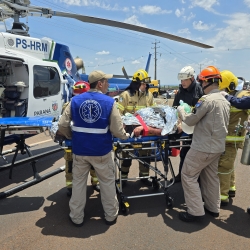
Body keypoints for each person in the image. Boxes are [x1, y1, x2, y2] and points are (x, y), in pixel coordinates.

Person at [58, 70, 130, 227]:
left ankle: (76, 217)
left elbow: (62, 125)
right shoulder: (109, 102)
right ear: (100, 83)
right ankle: (111, 216)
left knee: (78, 183)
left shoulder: (75, 101)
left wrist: (71, 136)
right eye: (106, 81)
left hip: (80, 151)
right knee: (107, 183)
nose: (108, 84)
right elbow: (117, 130)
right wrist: (126, 136)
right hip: (101, 151)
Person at [177, 65, 230, 222]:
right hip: (218, 148)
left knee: (188, 174)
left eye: (202, 82)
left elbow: (191, 119)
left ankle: (195, 211)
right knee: (210, 176)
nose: (200, 86)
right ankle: (213, 208)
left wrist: (181, 110)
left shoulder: (207, 100)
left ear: (207, 82)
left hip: (203, 147)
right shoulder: (224, 99)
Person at [61, 81, 101, 197]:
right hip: (76, 142)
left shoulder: (93, 105)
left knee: (92, 165)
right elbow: (64, 124)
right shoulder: (68, 106)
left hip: (89, 141)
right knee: (71, 165)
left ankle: (95, 182)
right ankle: (71, 186)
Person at [116, 69, 155, 185]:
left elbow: (154, 111)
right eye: (143, 83)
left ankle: (144, 177)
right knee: (126, 158)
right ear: (136, 83)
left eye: (146, 84)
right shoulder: (125, 95)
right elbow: (118, 113)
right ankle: (123, 178)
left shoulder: (149, 95)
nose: (145, 86)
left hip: (145, 131)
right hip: (129, 132)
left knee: (146, 156)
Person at [217, 71, 250, 206]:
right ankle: (231, 189)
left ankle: (221, 196)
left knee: (223, 167)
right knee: (229, 165)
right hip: (227, 140)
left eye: (223, 89)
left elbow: (243, 103)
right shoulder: (231, 95)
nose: (221, 91)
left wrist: (227, 97)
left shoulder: (242, 96)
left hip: (231, 140)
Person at [171, 66, 203, 183]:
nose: (182, 82)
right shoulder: (180, 92)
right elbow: (175, 109)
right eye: (181, 80)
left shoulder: (200, 90)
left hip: (198, 128)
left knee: (198, 156)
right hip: (185, 128)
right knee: (184, 152)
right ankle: (181, 174)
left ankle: (198, 179)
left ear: (192, 78)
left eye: (185, 80)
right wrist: (178, 123)